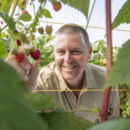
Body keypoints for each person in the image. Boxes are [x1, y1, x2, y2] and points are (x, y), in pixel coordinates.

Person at [5, 24, 119, 123]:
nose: (68, 59)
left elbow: (111, 119)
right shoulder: (40, 83)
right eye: (61, 52)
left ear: (89, 53)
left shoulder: (108, 79)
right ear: (54, 53)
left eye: (76, 51)